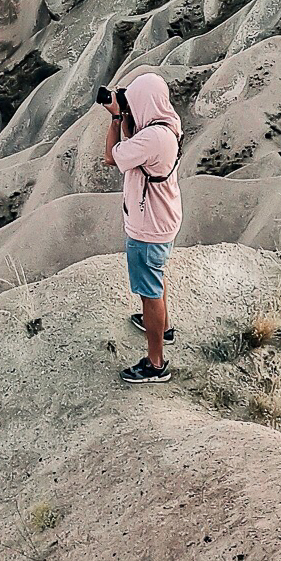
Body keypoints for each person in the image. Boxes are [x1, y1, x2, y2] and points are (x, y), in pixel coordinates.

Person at [104, 70, 182, 384]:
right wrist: (127, 114)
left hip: (148, 227)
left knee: (149, 292)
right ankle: (162, 327)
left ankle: (155, 363)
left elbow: (111, 157)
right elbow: (135, 140)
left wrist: (114, 119)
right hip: (164, 217)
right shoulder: (168, 124)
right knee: (156, 278)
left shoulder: (152, 139)